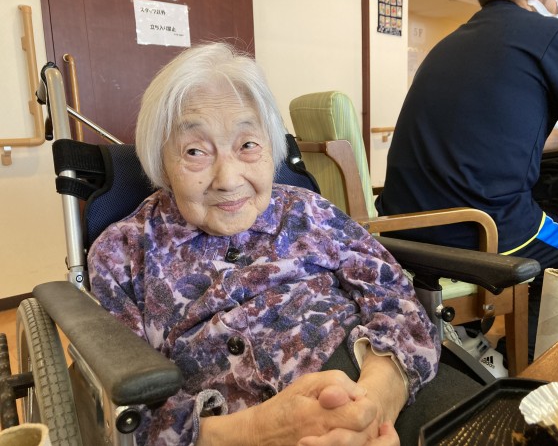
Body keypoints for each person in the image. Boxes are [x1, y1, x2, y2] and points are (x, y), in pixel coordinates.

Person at [87, 42, 440, 446]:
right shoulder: (123, 252)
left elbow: (399, 302)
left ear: (271, 147)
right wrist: (262, 430)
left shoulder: (308, 210)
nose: (228, 179)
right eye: (195, 151)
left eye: (247, 145)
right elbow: (126, 407)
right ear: (161, 162)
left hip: (377, 390)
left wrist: (372, 408)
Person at [375, 0, 558, 362]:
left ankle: (474, 342)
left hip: (400, 226)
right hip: (478, 229)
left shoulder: (447, 44)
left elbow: (486, 137)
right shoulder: (552, 34)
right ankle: (527, 371)